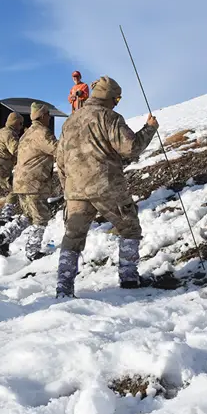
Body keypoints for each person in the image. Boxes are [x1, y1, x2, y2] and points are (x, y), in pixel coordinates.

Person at [55, 77, 158, 297]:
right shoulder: (110, 117)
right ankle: (129, 279)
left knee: (72, 238)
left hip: (75, 190)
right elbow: (131, 148)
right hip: (106, 185)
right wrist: (149, 129)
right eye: (117, 98)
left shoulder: (69, 122)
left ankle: (63, 287)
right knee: (129, 228)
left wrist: (68, 188)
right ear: (110, 96)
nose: (117, 103)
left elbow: (60, 160)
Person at [0, 103, 58, 260]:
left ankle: (4, 237)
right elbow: (58, 150)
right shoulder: (42, 132)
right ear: (42, 115)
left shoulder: (26, 134)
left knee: (29, 215)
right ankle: (32, 251)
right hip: (34, 183)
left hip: (21, 182)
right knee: (41, 217)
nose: (49, 116)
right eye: (48, 114)